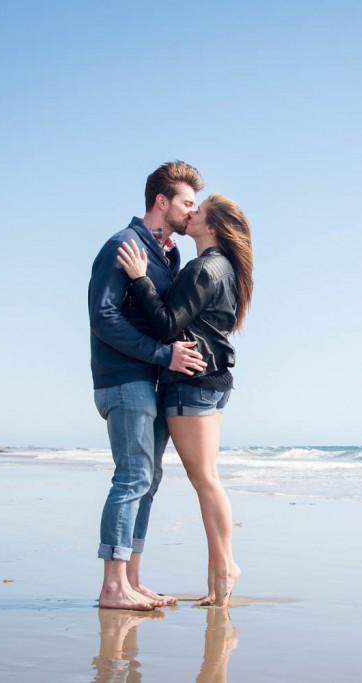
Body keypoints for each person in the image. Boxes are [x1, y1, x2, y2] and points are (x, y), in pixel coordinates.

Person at [115, 193, 253, 607]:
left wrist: (140, 279)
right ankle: (219, 575)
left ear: (211, 226)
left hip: (190, 383)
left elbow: (167, 325)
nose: (190, 213)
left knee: (205, 481)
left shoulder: (203, 268)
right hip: (212, 380)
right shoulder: (224, 268)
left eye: (199, 210)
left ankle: (225, 567)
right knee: (207, 479)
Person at [89, 161, 208, 611]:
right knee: (132, 477)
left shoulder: (168, 255)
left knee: (149, 479)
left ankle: (132, 580)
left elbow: (159, 316)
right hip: (123, 379)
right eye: (186, 202)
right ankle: (112, 586)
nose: (191, 211)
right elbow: (103, 317)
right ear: (162, 202)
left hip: (150, 381)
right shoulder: (123, 244)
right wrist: (164, 355)